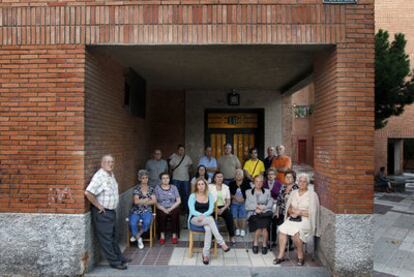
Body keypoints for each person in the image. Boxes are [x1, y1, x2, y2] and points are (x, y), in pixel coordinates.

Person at [84, 155, 131, 270]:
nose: (110, 164)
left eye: (112, 162)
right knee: (106, 239)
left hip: (111, 211)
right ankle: (114, 262)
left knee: (114, 236)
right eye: (107, 162)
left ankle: (119, 257)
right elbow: (88, 193)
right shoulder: (99, 176)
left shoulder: (110, 174)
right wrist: (98, 205)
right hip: (102, 213)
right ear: (102, 163)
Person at [274, 173, 320, 266]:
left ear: (307, 183)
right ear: (297, 182)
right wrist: (291, 212)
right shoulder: (294, 192)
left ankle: (300, 255)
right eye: (300, 181)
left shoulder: (312, 195)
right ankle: (280, 255)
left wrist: (300, 213)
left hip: (306, 219)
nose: (302, 183)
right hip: (293, 218)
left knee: (296, 233)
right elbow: (288, 207)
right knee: (282, 231)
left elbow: (313, 212)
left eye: (304, 181)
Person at [188, 178, 230, 265]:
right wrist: (200, 215)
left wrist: (203, 215)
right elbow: (192, 210)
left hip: (206, 219)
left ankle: (205, 254)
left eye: (202, 184)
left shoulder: (209, 195)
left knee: (208, 229)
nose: (200, 186)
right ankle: (221, 242)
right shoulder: (192, 196)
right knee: (210, 220)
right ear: (196, 186)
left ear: (205, 185)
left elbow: (211, 209)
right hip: (195, 218)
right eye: (198, 184)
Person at [245, 175, 273, 255]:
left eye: (261, 181)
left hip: (265, 213)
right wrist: (256, 207)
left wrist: (263, 207)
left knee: (264, 227)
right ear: (254, 182)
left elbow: (270, 203)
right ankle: (256, 243)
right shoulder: (248, 192)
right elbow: (247, 206)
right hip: (253, 214)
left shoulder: (267, 191)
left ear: (263, 183)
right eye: (257, 181)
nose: (259, 183)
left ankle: (263, 244)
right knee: (260, 226)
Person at [128, 170, 156, 249]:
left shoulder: (151, 189)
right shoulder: (137, 188)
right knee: (132, 223)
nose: (145, 180)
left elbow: (154, 201)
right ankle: (139, 240)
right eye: (143, 178)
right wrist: (146, 200)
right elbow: (136, 201)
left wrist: (142, 201)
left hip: (147, 210)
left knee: (147, 222)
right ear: (140, 179)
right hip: (136, 210)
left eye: (146, 178)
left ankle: (137, 235)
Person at [209, 172, 236, 244]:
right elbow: (207, 199)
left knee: (230, 217)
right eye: (218, 177)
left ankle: (232, 236)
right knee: (211, 219)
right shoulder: (210, 187)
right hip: (212, 207)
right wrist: (215, 208)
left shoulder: (226, 187)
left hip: (223, 206)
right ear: (214, 178)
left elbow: (228, 201)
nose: (220, 178)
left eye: (221, 177)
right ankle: (212, 238)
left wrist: (223, 209)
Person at [154, 172, 181, 245]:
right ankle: (162, 235)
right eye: (163, 178)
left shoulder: (174, 187)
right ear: (161, 180)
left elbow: (178, 200)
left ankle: (174, 235)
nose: (165, 180)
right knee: (161, 215)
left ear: (169, 179)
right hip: (161, 207)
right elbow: (155, 202)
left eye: (167, 178)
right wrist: (163, 209)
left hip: (172, 206)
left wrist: (170, 209)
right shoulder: (157, 188)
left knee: (175, 214)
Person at [274, 170, 298, 250]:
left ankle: (289, 243)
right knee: (271, 220)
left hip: (291, 213)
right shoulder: (283, 187)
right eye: (286, 177)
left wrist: (290, 212)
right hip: (281, 212)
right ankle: (273, 240)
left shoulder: (296, 188)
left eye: (290, 177)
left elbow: (297, 203)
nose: (288, 178)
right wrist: (277, 211)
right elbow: (278, 201)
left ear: (294, 179)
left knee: (287, 223)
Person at [169, 144, 193, 213]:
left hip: (185, 179)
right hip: (176, 179)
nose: (181, 151)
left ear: (184, 150)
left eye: (183, 150)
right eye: (180, 150)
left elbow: (191, 166)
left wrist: (189, 172)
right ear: (177, 150)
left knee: (186, 194)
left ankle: (186, 209)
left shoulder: (188, 158)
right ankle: (176, 210)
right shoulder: (174, 157)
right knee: (176, 194)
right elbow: (170, 167)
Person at [263, 168, 282, 248]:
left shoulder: (278, 183)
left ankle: (273, 240)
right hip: (266, 204)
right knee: (267, 222)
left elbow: (278, 195)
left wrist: (270, 192)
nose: (270, 176)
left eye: (272, 174)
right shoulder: (264, 183)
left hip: (275, 204)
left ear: (275, 176)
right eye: (269, 174)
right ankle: (266, 240)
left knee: (273, 222)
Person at [228, 169, 250, 237]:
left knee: (243, 214)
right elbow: (229, 194)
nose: (238, 175)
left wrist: (244, 198)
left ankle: (242, 229)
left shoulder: (246, 183)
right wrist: (234, 197)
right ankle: (237, 229)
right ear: (234, 176)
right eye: (237, 173)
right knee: (234, 215)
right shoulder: (231, 183)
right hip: (234, 202)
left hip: (243, 202)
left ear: (243, 176)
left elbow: (249, 193)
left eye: (240, 174)